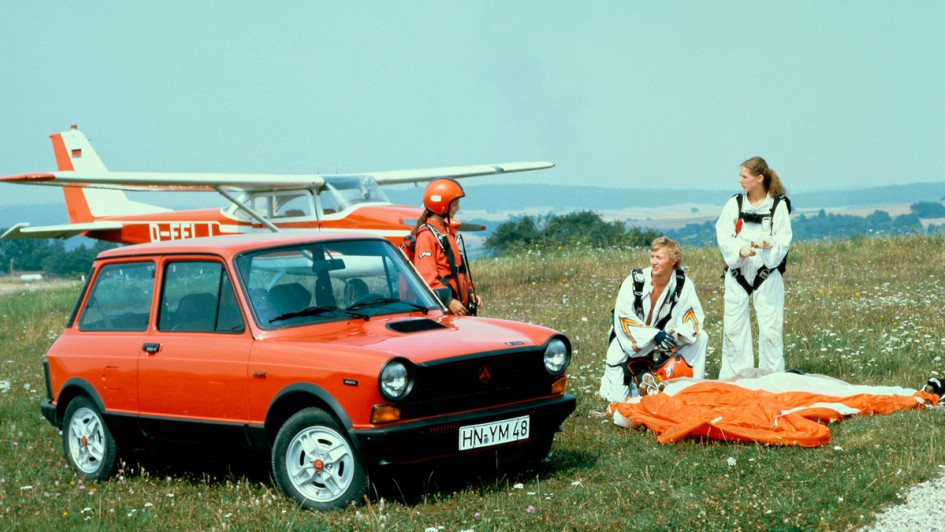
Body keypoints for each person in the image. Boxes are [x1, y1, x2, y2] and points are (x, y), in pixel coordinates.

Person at [599, 236, 707, 403]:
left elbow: (693, 319)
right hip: (627, 340)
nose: (654, 262)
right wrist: (654, 335)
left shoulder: (683, 285)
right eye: (652, 257)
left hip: (664, 339)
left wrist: (676, 335)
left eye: (659, 258)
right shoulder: (634, 281)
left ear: (673, 261)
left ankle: (691, 388)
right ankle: (643, 382)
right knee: (618, 402)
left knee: (701, 337)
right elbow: (623, 318)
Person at [716, 156, 793, 379]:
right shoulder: (735, 204)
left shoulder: (778, 206)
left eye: (744, 177)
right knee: (733, 330)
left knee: (770, 330)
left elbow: (784, 239)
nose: (740, 181)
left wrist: (768, 245)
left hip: (766, 274)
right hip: (738, 272)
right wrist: (740, 249)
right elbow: (723, 234)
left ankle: (772, 379)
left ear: (759, 178)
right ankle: (736, 379)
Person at [406, 178, 482, 316]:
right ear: (442, 206)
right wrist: (449, 301)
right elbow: (426, 278)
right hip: (444, 311)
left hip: (459, 309)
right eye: (455, 205)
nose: (458, 208)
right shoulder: (426, 236)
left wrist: (471, 294)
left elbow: (459, 271)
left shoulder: (447, 232)